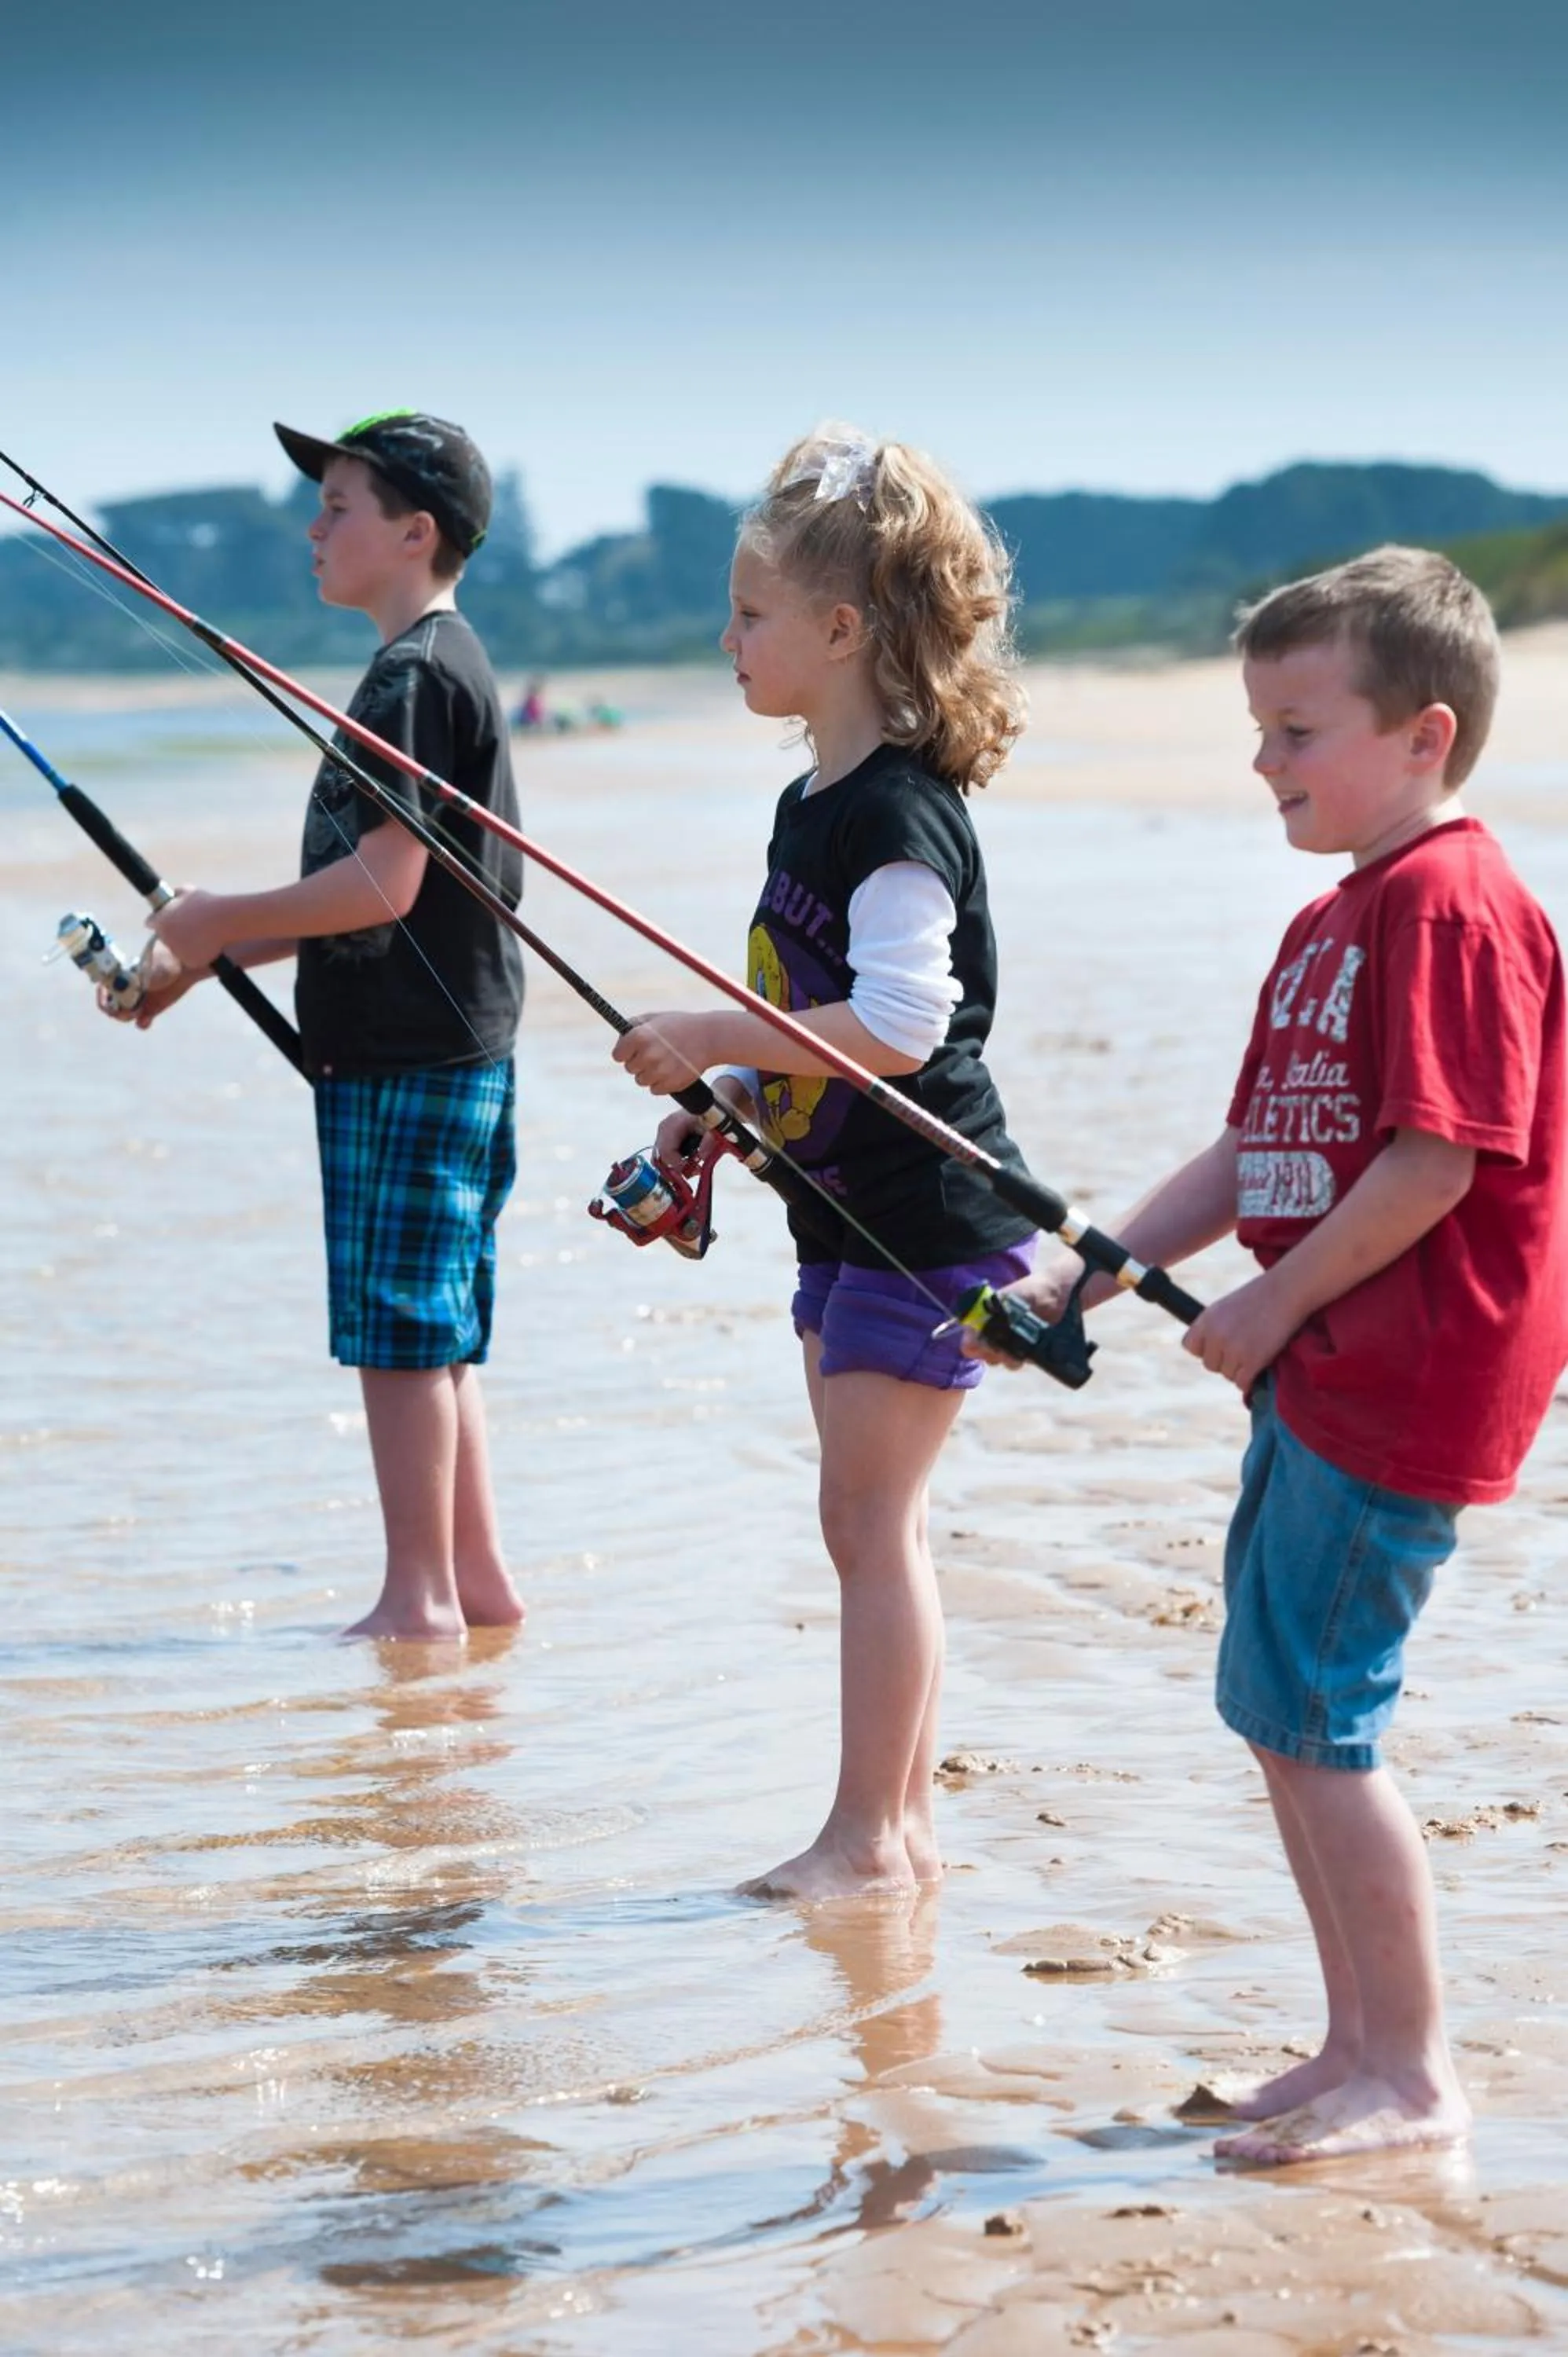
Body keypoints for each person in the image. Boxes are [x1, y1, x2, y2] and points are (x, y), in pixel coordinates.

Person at [974, 547, 1568, 2162]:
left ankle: (1413, 2073)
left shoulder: (1449, 906)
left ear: (1421, 734)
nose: (1261, 764)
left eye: (1297, 731)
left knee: (1320, 1716)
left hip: (1400, 1372)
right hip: (1322, 1368)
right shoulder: (1334, 919)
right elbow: (1258, 1148)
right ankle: (1351, 2043)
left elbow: (1436, 1161)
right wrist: (1084, 1280)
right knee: (1276, 1706)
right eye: (1257, 729)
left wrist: (1273, 1302)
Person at [612, 425, 1037, 1899]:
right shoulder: (813, 800)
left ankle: (869, 1839)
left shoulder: (900, 807)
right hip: (843, 1213)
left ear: (842, 630)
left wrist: (706, 1026)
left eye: (750, 615)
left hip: (926, 1216)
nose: (726, 639)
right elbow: (817, 1017)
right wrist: (726, 1089)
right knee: (869, 1522)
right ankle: (899, 1833)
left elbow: (908, 1027)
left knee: (868, 1522)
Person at [121, 409, 527, 1643]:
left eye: (339, 507)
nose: (314, 526)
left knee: (400, 1336)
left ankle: (419, 1604)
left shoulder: (408, 678)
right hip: (457, 1046)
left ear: (414, 534)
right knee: (438, 1330)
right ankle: (477, 1583)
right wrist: (209, 956)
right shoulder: (442, 663)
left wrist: (212, 915)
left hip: (408, 1057)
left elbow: (383, 887)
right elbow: (386, 903)